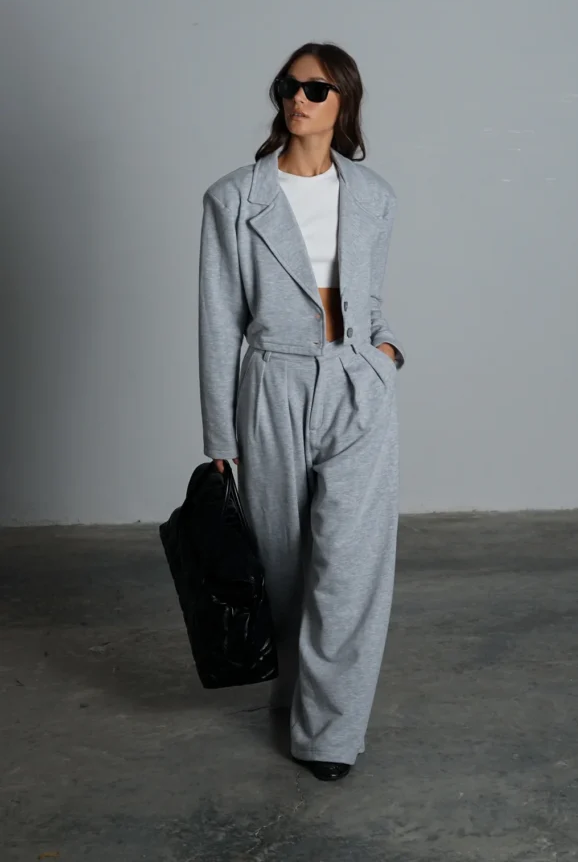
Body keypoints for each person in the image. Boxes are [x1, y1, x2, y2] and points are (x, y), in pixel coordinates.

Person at [198, 42, 405, 781]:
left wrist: (386, 355)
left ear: (343, 100)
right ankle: (292, 699)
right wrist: (219, 437)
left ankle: (330, 736)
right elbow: (219, 319)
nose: (298, 98)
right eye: (289, 85)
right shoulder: (233, 197)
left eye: (316, 89)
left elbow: (369, 300)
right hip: (273, 383)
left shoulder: (373, 194)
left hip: (356, 387)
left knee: (350, 570)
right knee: (282, 566)